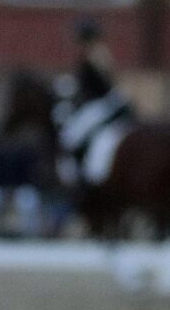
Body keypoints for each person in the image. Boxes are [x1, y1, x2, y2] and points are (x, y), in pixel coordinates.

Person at [56, 18, 135, 186]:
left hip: (103, 103)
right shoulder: (94, 53)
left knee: (71, 134)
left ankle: (84, 174)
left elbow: (101, 84)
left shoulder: (96, 54)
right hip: (99, 102)